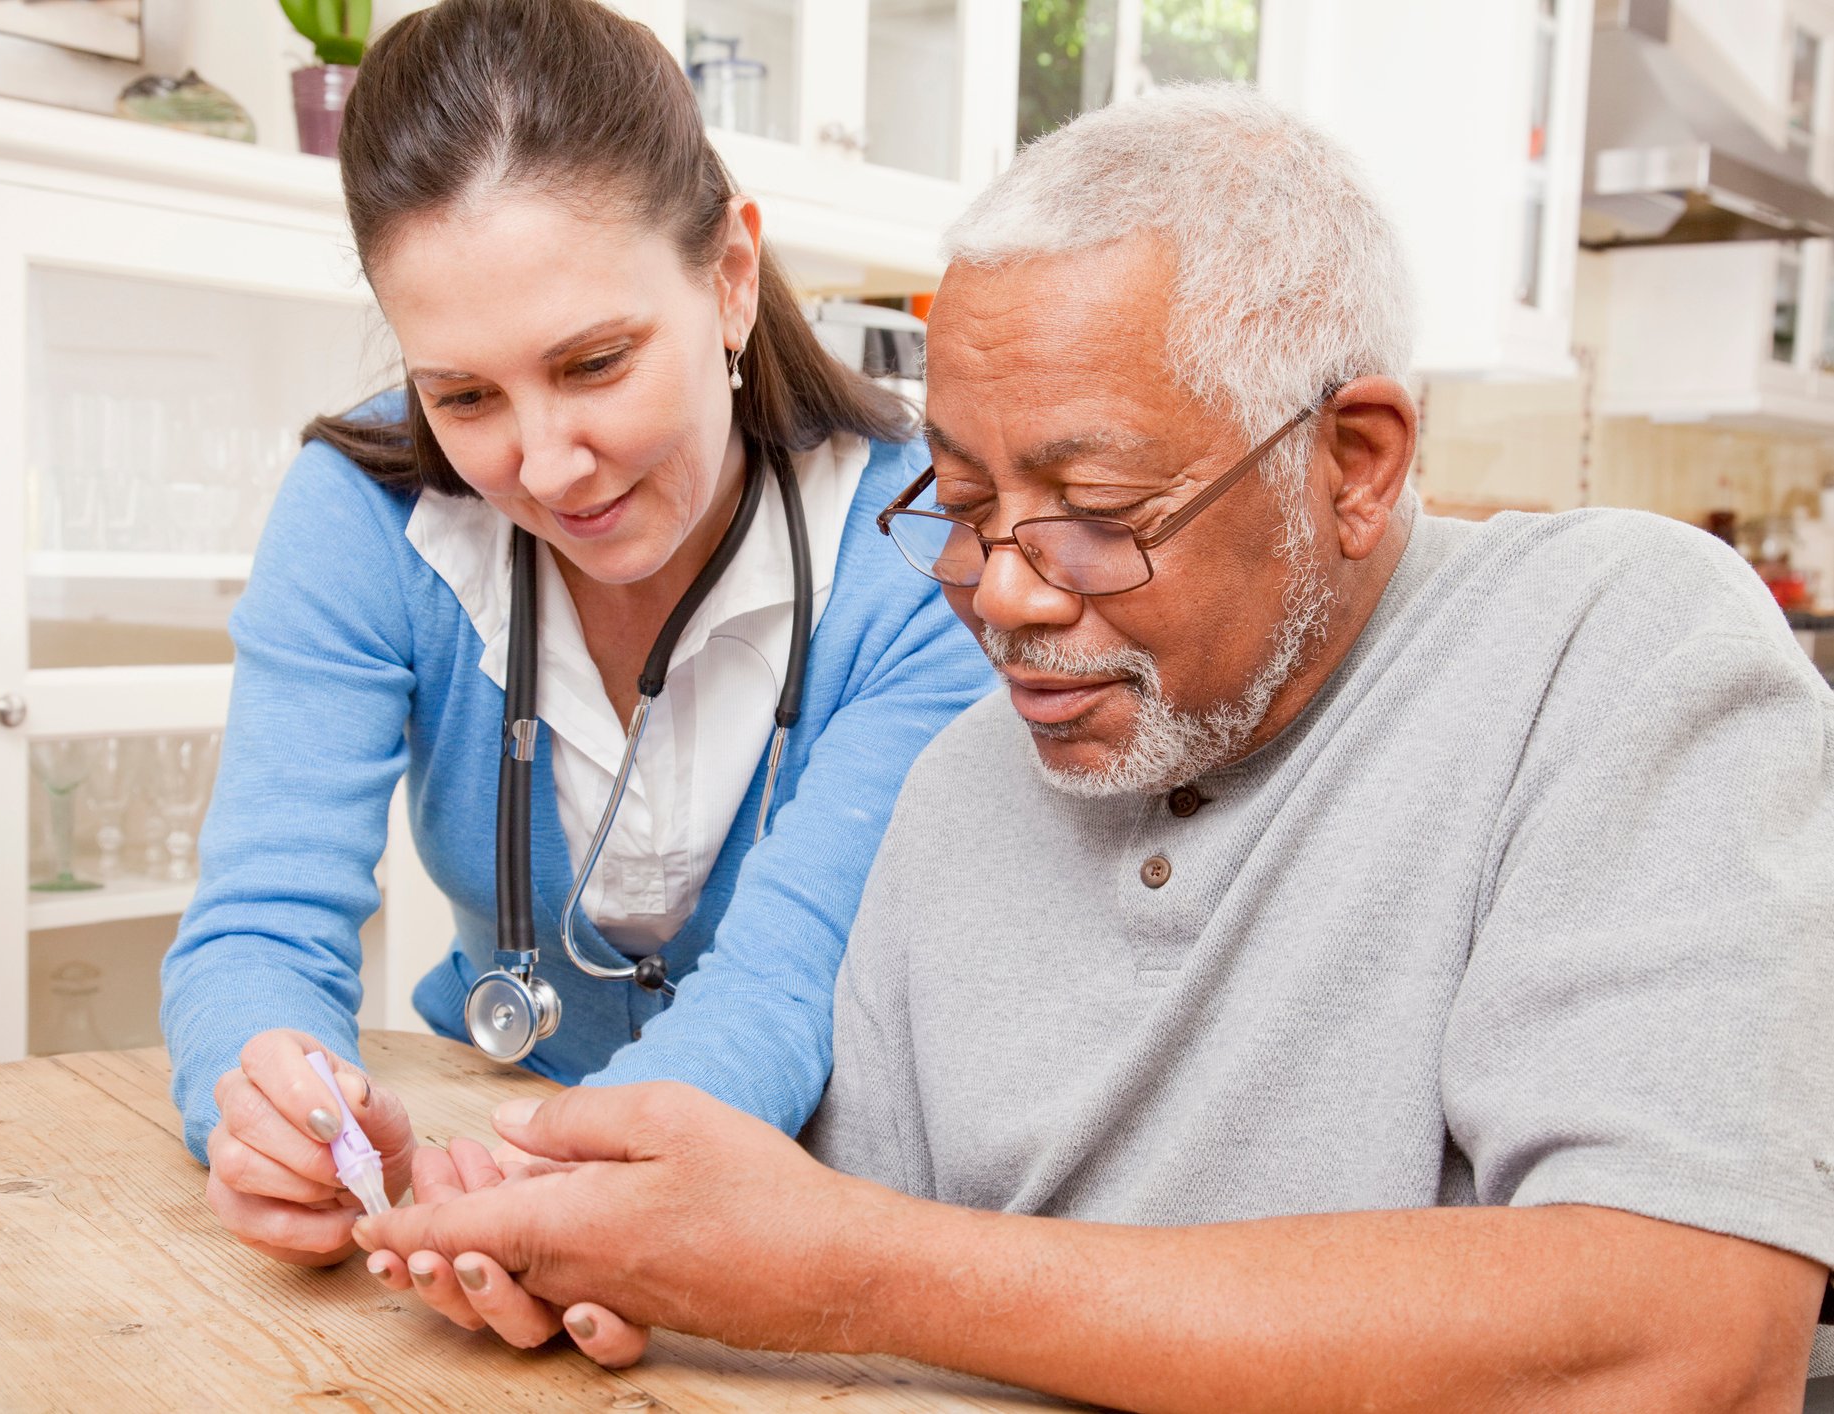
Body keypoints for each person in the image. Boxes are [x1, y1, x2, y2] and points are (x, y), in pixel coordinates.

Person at [353, 85, 1834, 1410]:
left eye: (1098, 512)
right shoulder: (958, 790)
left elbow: (1687, 1337)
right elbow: (856, 1326)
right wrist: (660, 1276)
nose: (1001, 591)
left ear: (1355, 463)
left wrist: (849, 1269)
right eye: (961, 501)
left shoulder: (1615, 643)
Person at [157, 0, 993, 1328]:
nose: (542, 467)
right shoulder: (362, 513)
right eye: (463, 396)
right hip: (485, 1166)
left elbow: (786, 984)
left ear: (728, 276)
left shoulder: (921, 544)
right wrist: (267, 1093)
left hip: (794, 1204)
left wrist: (558, 1190)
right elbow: (259, 923)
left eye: (594, 362)